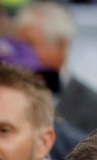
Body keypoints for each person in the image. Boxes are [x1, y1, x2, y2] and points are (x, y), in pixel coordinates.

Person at [13, 2, 97, 136]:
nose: (21, 54)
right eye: (18, 46)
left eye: (30, 45)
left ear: (61, 45)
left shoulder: (92, 106)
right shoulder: (5, 95)